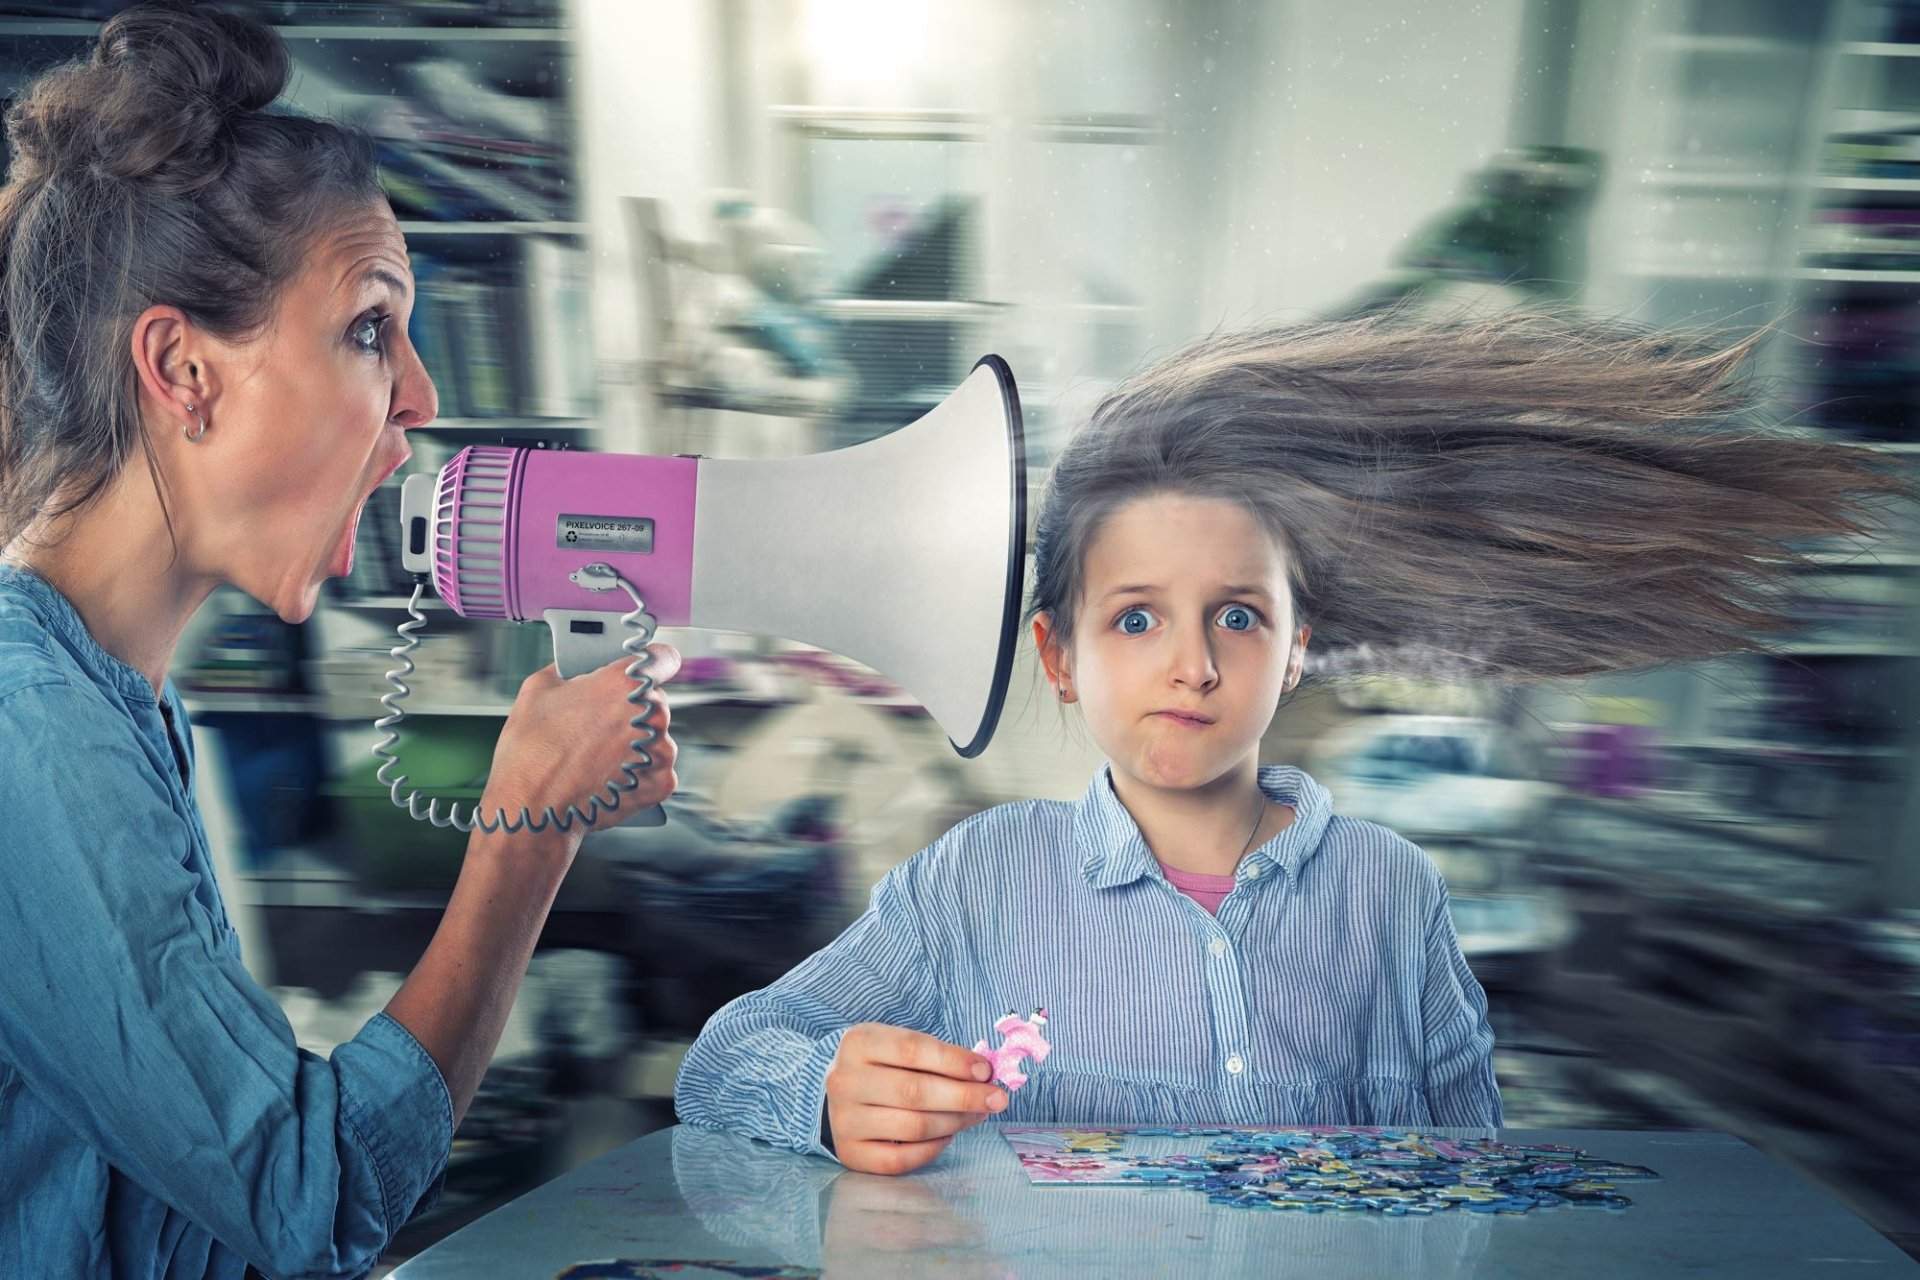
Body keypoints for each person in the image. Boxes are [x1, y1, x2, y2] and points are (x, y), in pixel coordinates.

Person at [675, 311, 1903, 1176]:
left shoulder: (1390, 890)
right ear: (1062, 653)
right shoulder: (976, 879)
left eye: (1240, 616)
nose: (1193, 663)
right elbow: (723, 1063)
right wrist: (824, 1090)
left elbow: (1467, 1174)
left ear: (1299, 645)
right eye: (1138, 616)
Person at [0, 5, 678, 1274]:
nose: (419, 392)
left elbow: (174, 1204)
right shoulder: (27, 728)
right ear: (182, 370)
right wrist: (526, 830)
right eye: (370, 325)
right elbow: (304, 1195)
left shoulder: (125, 703)